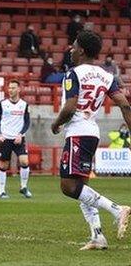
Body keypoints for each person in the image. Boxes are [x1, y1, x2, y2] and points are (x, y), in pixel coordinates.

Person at [50, 30, 131, 250]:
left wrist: (56, 124)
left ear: (82, 50)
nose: (71, 49)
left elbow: (70, 106)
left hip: (77, 132)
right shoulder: (107, 75)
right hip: (91, 133)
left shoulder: (73, 73)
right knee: (82, 187)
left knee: (68, 187)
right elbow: (124, 104)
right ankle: (97, 236)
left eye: (74, 46)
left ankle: (117, 209)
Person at [0, 80, 32, 199]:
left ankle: (24, 187)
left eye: (13, 88)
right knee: (3, 165)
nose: (10, 90)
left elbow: (27, 122)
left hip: (18, 139)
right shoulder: (3, 104)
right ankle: (2, 191)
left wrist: (21, 134)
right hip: (5, 138)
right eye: (9, 88)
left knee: (24, 162)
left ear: (19, 89)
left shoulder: (24, 104)